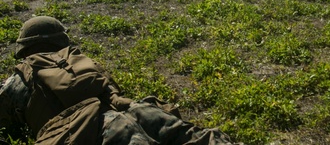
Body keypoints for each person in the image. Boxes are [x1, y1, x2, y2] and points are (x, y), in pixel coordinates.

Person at [0, 16, 240, 145]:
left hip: (91, 130)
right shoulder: (81, 61)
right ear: (61, 41)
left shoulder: (17, 81)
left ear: (25, 48)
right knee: (191, 136)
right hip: (135, 111)